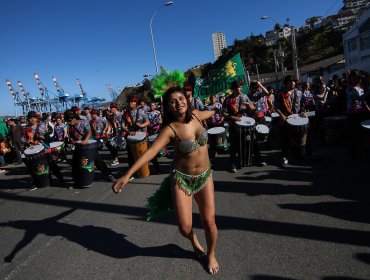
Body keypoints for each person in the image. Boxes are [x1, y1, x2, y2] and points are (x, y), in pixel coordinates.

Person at [113, 70, 219, 275]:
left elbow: (211, 112)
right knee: (184, 227)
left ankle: (211, 254)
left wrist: (216, 111)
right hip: (182, 180)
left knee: (209, 222)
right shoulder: (169, 129)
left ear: (187, 100)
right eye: (172, 101)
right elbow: (150, 152)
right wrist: (127, 174)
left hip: (205, 177)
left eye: (181, 98)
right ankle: (193, 239)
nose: (178, 102)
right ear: (167, 106)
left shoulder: (197, 115)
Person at [64, 109, 114, 189]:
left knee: (98, 161)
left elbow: (90, 132)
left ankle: (108, 174)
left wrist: (85, 140)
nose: (68, 122)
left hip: (89, 145)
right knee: (75, 164)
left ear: (73, 119)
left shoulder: (83, 122)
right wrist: (73, 140)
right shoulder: (70, 125)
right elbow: (72, 135)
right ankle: (77, 182)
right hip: (79, 146)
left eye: (69, 121)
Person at [223, 80, 256, 172]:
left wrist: (250, 107)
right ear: (233, 89)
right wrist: (232, 117)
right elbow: (223, 113)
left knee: (246, 143)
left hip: (245, 126)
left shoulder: (245, 97)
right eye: (239, 87)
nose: (241, 88)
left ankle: (243, 161)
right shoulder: (228, 99)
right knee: (234, 145)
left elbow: (253, 109)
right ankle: (232, 164)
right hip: (234, 126)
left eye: (241, 87)